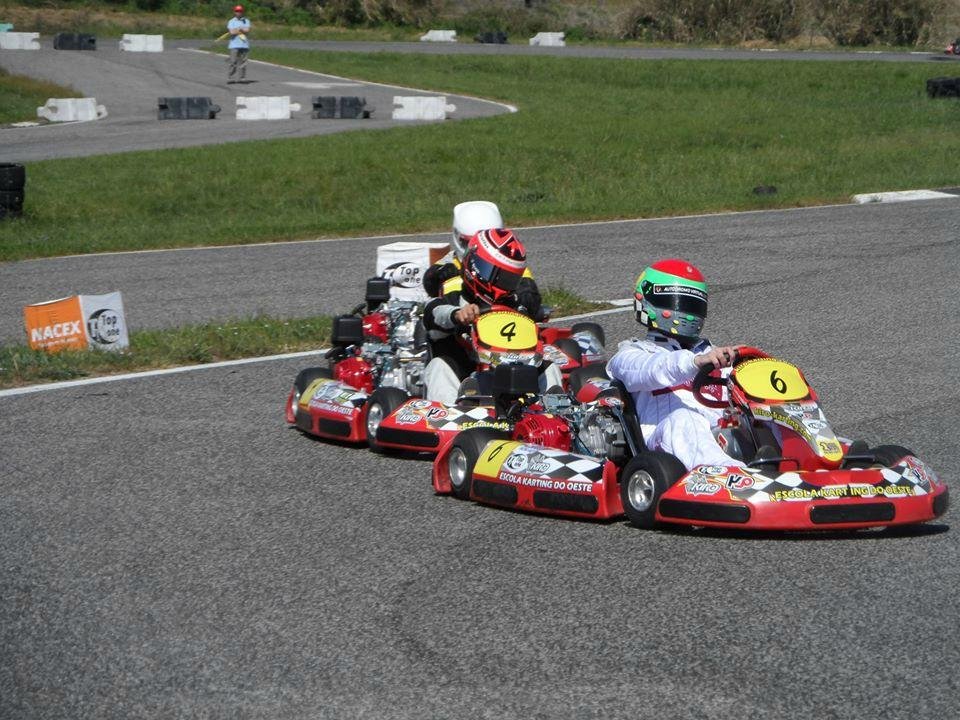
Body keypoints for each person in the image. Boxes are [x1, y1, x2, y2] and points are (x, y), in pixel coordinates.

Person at [606, 258, 744, 470]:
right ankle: (729, 475)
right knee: (685, 418)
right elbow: (657, 369)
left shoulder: (712, 353)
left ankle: (806, 463)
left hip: (721, 435)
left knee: (768, 412)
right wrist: (695, 362)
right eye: (682, 304)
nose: (689, 313)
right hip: (664, 441)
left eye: (694, 305)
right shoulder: (631, 355)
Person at [421, 228, 562, 405]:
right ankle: (450, 417)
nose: (504, 286)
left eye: (510, 280)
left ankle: (555, 415)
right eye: (501, 278)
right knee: (439, 366)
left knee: (549, 367)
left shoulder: (514, 303)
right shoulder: (454, 298)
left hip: (511, 376)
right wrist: (456, 315)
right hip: (466, 380)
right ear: (477, 268)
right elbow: (433, 313)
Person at [423, 201, 537, 304]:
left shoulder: (511, 265)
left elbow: (530, 295)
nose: (481, 249)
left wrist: (525, 300)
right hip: (463, 322)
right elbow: (429, 281)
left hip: (504, 320)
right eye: (472, 243)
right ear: (460, 238)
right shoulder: (450, 264)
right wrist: (438, 276)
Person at [226, 5, 251, 84]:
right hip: (234, 45)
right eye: (237, 11)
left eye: (240, 11)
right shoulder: (231, 21)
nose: (238, 13)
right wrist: (240, 29)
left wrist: (238, 30)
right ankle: (231, 78)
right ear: (234, 12)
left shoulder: (246, 20)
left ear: (242, 12)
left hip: (244, 44)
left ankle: (242, 78)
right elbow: (231, 32)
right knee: (233, 62)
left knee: (243, 62)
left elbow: (247, 30)